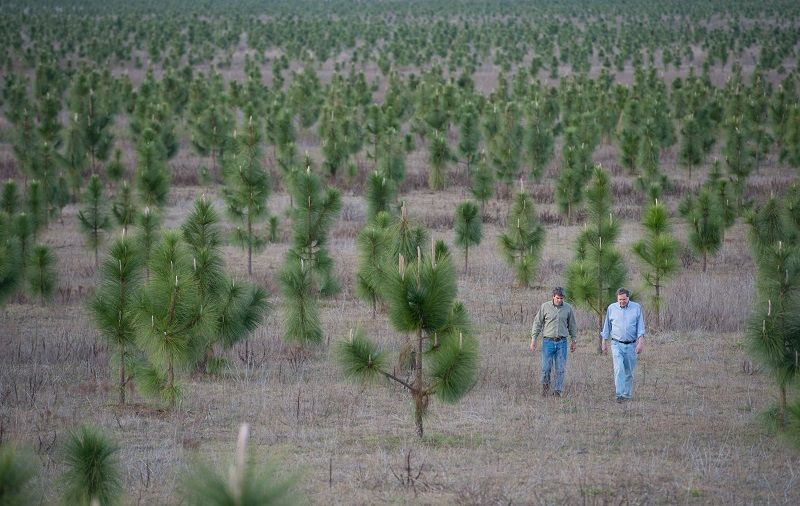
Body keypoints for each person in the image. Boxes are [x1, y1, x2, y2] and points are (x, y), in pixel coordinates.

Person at [529, 287, 577, 397]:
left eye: (561, 298)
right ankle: (545, 389)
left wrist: (574, 340)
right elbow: (537, 323)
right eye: (557, 298)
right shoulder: (545, 307)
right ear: (553, 297)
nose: (559, 300)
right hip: (548, 342)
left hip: (562, 342)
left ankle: (558, 391)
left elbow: (572, 325)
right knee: (546, 368)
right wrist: (533, 339)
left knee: (560, 368)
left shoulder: (568, 308)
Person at [600, 288, 645, 402]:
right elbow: (607, 326)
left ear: (628, 298)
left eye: (624, 299)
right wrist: (604, 342)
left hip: (631, 345)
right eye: (620, 299)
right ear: (617, 298)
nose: (622, 302)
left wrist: (640, 343)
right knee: (619, 368)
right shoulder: (611, 308)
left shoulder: (636, 308)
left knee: (629, 371)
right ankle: (619, 394)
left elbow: (640, 327)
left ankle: (627, 395)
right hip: (616, 344)